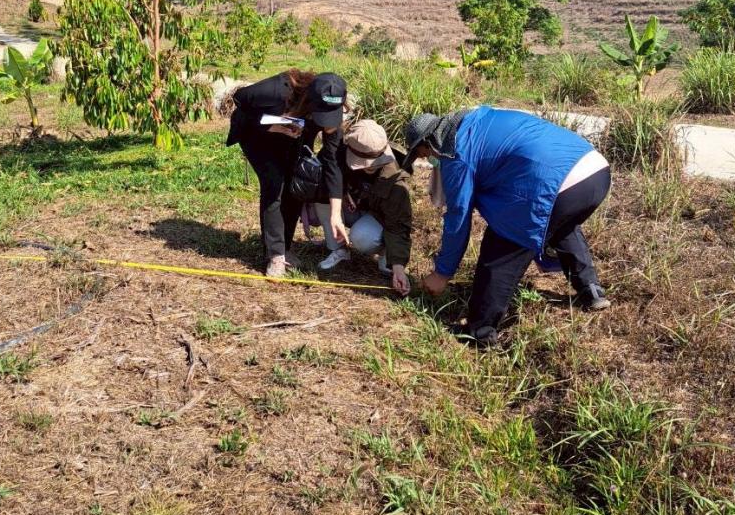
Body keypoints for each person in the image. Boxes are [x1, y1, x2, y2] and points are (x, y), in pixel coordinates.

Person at [404, 107, 612, 346]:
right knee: (559, 223)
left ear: (429, 142)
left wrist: (442, 273)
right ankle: (591, 290)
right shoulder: (477, 118)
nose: (426, 160)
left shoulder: (453, 154)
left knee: (501, 249)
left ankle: (479, 332)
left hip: (553, 178)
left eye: (422, 154)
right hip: (594, 171)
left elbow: (458, 217)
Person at [227, 70, 350, 277]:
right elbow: (240, 99)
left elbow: (332, 163)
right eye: (321, 114)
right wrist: (272, 125)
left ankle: (285, 247)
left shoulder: (332, 115)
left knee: (297, 185)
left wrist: (335, 214)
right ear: (309, 99)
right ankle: (275, 255)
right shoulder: (277, 90)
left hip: (294, 136)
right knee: (274, 183)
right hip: (259, 135)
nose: (325, 120)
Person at [315, 119, 414, 296]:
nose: (370, 166)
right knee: (322, 200)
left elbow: (398, 226)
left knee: (362, 237)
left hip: (379, 219)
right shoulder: (338, 156)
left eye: (375, 160)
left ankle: (386, 253)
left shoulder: (395, 179)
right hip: (355, 208)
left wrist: (398, 266)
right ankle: (338, 250)